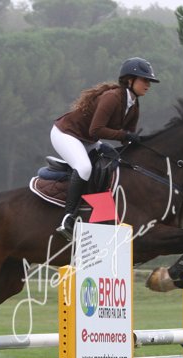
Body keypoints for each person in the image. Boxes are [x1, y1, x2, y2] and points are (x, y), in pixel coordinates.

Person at [51, 57, 160, 240]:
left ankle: (102, 217)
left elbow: (127, 138)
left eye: (149, 81)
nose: (148, 85)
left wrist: (143, 144)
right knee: (84, 168)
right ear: (129, 80)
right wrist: (126, 136)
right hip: (66, 134)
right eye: (145, 80)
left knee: (112, 163)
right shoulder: (112, 98)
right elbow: (96, 130)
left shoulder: (133, 104)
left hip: (88, 139)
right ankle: (68, 218)